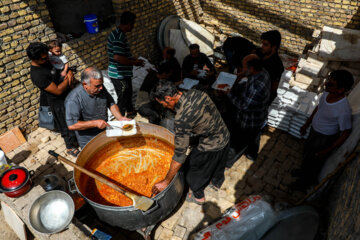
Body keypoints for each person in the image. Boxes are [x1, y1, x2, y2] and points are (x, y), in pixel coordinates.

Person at [151, 80, 230, 205]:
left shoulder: (182, 118)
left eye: (162, 103)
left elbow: (179, 156)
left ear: (168, 98)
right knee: (218, 165)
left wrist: (166, 181)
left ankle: (198, 196)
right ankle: (216, 182)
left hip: (210, 145)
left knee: (193, 170)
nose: (163, 106)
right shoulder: (195, 92)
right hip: (224, 134)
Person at [290, 70, 353, 192]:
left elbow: (346, 132)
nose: (325, 85)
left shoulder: (343, 110)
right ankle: (302, 172)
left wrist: (327, 150)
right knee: (307, 154)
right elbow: (319, 108)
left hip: (324, 139)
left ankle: (303, 184)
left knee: (313, 163)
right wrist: (307, 124)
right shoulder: (327, 94)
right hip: (315, 132)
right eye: (327, 81)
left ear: (340, 90)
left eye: (330, 84)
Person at [27, 42, 79, 157]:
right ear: (34, 59)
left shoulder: (46, 60)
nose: (47, 59)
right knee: (64, 124)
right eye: (44, 58)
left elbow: (62, 67)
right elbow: (58, 90)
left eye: (47, 56)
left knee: (75, 117)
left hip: (67, 95)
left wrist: (69, 71)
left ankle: (78, 136)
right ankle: (70, 146)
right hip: (57, 102)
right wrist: (69, 77)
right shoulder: (37, 75)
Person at [65, 67, 129, 149]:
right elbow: (72, 125)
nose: (101, 88)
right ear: (85, 85)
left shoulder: (100, 88)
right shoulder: (73, 99)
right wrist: (95, 123)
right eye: (97, 86)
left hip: (105, 132)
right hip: (89, 140)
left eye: (101, 84)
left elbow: (111, 103)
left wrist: (120, 118)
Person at [227, 56, 270, 163]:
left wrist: (228, 94)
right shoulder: (262, 71)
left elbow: (244, 106)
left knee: (238, 142)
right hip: (259, 116)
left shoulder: (256, 87)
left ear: (251, 69)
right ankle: (252, 154)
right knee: (255, 136)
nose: (242, 69)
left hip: (249, 120)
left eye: (244, 67)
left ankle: (228, 162)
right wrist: (243, 75)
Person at [107, 11, 144, 118]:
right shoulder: (118, 37)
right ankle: (121, 118)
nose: (133, 26)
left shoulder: (119, 34)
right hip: (119, 75)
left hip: (124, 72)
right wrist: (134, 62)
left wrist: (133, 59)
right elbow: (118, 57)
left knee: (128, 91)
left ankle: (130, 111)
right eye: (133, 24)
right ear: (128, 23)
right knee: (122, 97)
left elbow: (121, 54)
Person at [255, 30, 284, 104]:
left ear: (274, 47)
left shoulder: (277, 66)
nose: (262, 46)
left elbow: (273, 89)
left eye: (265, 45)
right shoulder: (260, 54)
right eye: (262, 44)